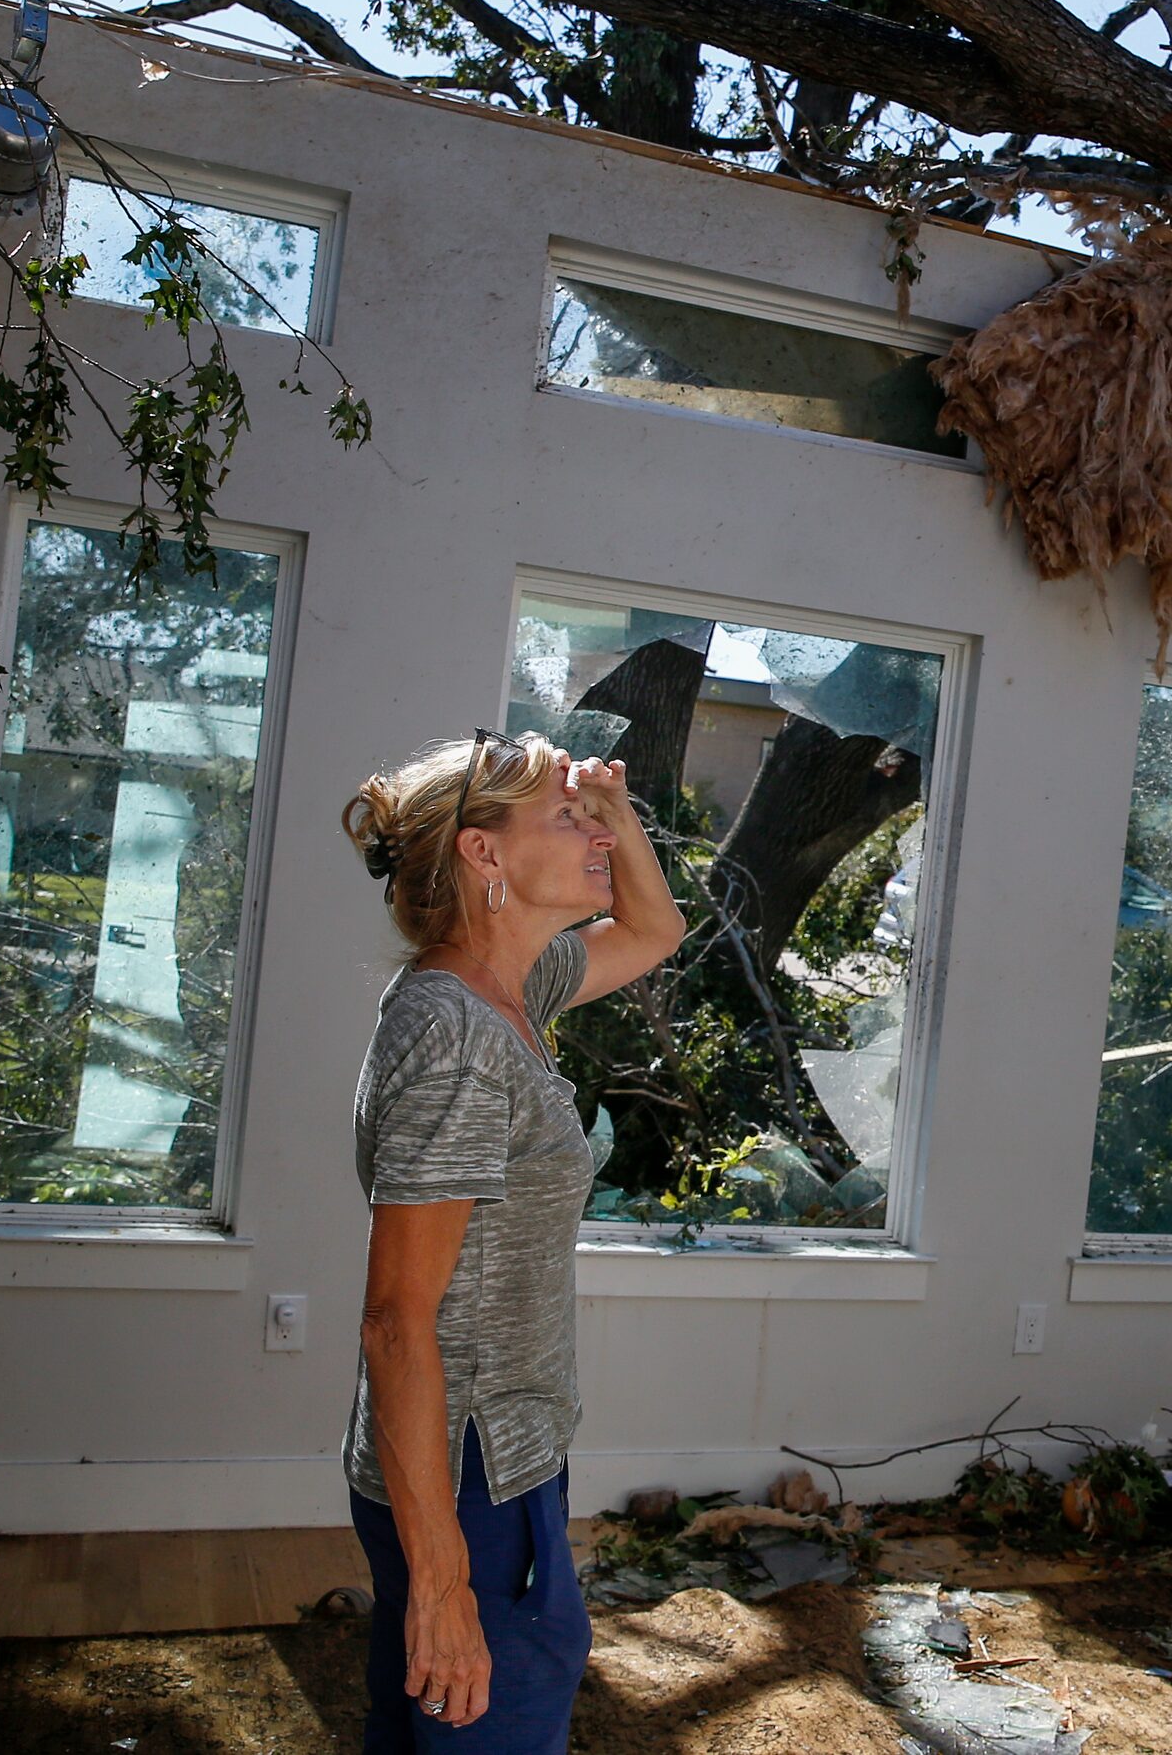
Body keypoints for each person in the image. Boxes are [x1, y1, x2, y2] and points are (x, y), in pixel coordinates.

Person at [339, 730, 684, 1747]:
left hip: (496, 1460)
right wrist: (443, 1583)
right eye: (566, 819)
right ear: (482, 856)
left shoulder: (508, 994)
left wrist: (616, 814)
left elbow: (654, 928)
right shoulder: (456, 1036)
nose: (594, 838)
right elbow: (396, 1323)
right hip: (468, 1476)